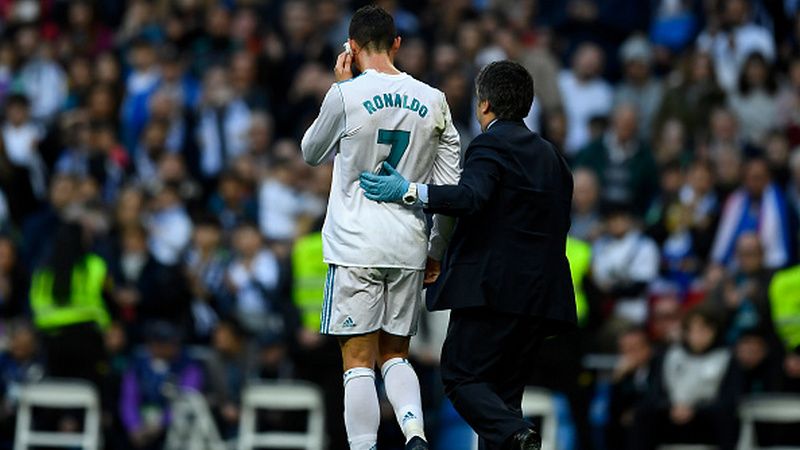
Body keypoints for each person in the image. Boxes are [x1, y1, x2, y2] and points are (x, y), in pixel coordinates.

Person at [360, 60, 575, 450]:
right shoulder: (553, 157)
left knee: (460, 378)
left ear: (484, 104)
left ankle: (516, 433)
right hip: (539, 297)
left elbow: (470, 197)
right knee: (503, 398)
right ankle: (513, 434)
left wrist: (410, 190)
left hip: (491, 291)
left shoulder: (491, 143)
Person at [300, 6, 461, 449]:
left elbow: (311, 152)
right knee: (395, 355)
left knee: (356, 362)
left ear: (350, 48)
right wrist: (436, 251)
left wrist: (339, 89)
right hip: (408, 243)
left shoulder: (346, 95)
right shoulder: (434, 100)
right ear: (397, 44)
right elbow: (450, 190)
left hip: (356, 245)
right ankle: (413, 431)